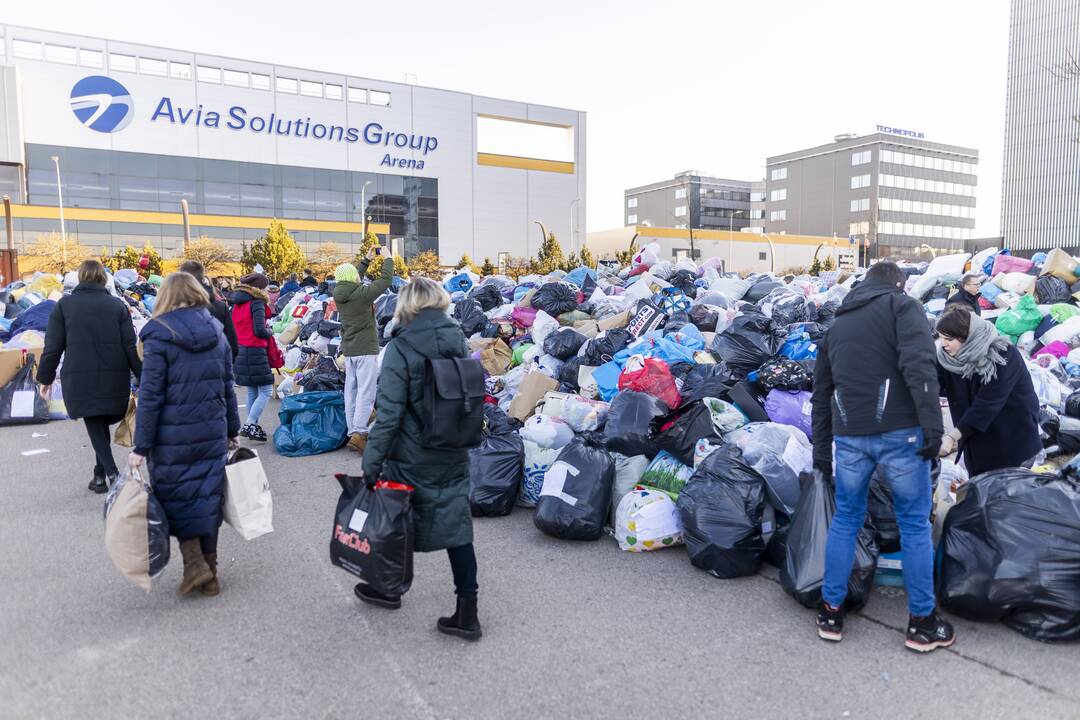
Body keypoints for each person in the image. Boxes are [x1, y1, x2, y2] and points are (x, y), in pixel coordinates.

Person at [811, 261, 954, 653]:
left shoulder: (836, 326)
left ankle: (830, 612)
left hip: (850, 438)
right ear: (897, 282)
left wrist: (821, 451)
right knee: (914, 525)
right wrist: (932, 428)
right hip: (901, 436)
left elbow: (820, 394)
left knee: (846, 520)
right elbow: (919, 366)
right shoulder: (901, 307)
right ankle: (922, 623)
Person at [360, 277, 481, 641]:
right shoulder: (458, 340)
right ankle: (468, 612)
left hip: (412, 455)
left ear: (406, 306)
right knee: (458, 529)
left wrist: (371, 464)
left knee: (397, 520)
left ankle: (388, 588)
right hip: (454, 448)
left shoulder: (401, 348)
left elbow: (390, 414)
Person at [129, 273, 240, 597]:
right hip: (211, 431)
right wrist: (232, 429)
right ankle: (211, 571)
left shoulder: (159, 335)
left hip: (170, 436)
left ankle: (194, 564)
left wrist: (141, 445)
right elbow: (227, 386)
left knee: (175, 497)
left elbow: (150, 396)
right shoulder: (216, 331)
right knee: (207, 497)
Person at [37, 259, 142, 493]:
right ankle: (99, 475)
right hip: (115, 374)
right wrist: (143, 377)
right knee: (100, 419)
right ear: (103, 278)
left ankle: (112, 473)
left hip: (79, 377)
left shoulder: (64, 306)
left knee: (94, 419)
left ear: (81, 277)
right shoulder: (117, 306)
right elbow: (130, 346)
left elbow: (52, 347)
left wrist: (45, 377)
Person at [935, 305, 1041, 474]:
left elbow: (987, 404)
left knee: (1005, 492)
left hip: (1011, 438)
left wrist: (952, 436)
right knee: (980, 486)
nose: (944, 345)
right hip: (975, 438)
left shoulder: (1003, 355)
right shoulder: (948, 358)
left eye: (949, 339)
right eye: (941, 339)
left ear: (966, 337)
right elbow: (934, 385)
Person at [333, 246, 395, 452]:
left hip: (349, 349)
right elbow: (385, 282)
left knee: (350, 390)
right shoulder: (361, 294)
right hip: (365, 348)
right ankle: (360, 432)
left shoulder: (340, 293)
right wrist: (388, 259)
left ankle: (352, 431)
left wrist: (366, 260)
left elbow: (353, 279)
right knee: (366, 391)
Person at [230, 272, 274, 441]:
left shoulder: (237, 303)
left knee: (252, 390)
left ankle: (253, 426)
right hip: (255, 350)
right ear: (260, 288)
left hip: (241, 348)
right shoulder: (257, 303)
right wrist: (271, 331)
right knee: (266, 390)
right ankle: (249, 424)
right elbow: (260, 330)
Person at [179, 260, 238, 358]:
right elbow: (233, 346)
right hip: (215, 365)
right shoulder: (220, 307)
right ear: (202, 278)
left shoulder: (170, 307)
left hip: (181, 369)